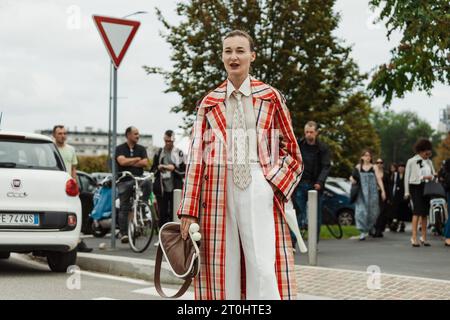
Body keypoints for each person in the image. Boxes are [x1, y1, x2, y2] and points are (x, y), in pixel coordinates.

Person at [177, 30, 303, 300]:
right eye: (228, 51)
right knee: (223, 265)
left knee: (262, 265)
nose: (234, 57)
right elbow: (196, 157)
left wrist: (272, 185)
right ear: (222, 56)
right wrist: (188, 209)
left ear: (252, 56)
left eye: (240, 51)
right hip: (217, 191)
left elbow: (291, 150)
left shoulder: (270, 97)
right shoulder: (209, 103)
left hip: (259, 184)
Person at [52, 125, 92, 253]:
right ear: (54, 135)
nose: (62, 135)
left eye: (64, 133)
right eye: (59, 133)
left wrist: (75, 184)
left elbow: (74, 168)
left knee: (85, 201)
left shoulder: (71, 149)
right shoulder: (50, 148)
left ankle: (78, 238)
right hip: (54, 185)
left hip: (68, 186)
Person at [292, 121, 331, 245]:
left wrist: (320, 181)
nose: (309, 135)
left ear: (316, 133)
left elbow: (326, 166)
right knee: (298, 214)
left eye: (311, 132)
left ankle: (314, 242)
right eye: (307, 132)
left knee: (316, 216)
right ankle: (293, 242)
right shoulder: (299, 145)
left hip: (315, 186)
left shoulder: (323, 148)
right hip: (301, 184)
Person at [115, 126, 151, 244]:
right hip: (124, 180)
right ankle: (124, 233)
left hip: (138, 179)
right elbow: (121, 161)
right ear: (128, 135)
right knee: (124, 206)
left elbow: (145, 162)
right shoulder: (120, 148)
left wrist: (128, 161)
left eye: (138, 133)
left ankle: (143, 205)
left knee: (147, 182)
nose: (138, 136)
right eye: (135, 134)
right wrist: (136, 159)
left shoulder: (141, 148)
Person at [150, 130, 186, 246]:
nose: (168, 143)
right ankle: (161, 237)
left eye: (170, 141)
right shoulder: (159, 152)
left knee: (174, 213)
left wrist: (173, 168)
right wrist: (159, 168)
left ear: (174, 140)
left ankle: (175, 238)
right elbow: (153, 169)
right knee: (162, 212)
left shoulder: (179, 153)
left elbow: (183, 171)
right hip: (162, 187)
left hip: (175, 187)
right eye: (166, 141)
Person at [404, 138, 435, 247]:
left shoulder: (429, 161)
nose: (428, 154)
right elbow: (407, 177)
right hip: (415, 186)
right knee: (417, 211)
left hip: (427, 187)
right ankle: (413, 237)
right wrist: (406, 192)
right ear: (421, 150)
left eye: (429, 151)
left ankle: (424, 237)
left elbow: (433, 173)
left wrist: (433, 176)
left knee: (425, 213)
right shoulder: (411, 161)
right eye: (426, 151)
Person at [350, 149, 386, 241]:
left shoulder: (374, 167)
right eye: (365, 155)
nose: (367, 157)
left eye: (369, 155)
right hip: (361, 193)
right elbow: (352, 176)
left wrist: (383, 191)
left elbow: (379, 179)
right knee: (360, 212)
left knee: (373, 211)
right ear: (362, 157)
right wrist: (352, 180)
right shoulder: (358, 167)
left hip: (372, 192)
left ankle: (370, 226)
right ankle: (362, 231)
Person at [390, 163, 411, 232]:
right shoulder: (396, 175)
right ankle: (395, 222)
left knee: (403, 208)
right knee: (395, 208)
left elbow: (409, 185)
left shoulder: (407, 176)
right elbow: (393, 184)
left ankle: (402, 223)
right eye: (400, 167)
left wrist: (408, 194)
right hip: (396, 194)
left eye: (402, 167)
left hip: (404, 194)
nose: (401, 169)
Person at [373, 158, 392, 237]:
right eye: (377, 162)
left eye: (381, 162)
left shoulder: (386, 174)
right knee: (375, 213)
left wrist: (389, 197)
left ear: (383, 164)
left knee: (382, 213)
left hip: (383, 195)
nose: (379, 164)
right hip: (374, 194)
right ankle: (375, 229)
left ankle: (379, 229)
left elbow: (388, 186)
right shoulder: (373, 173)